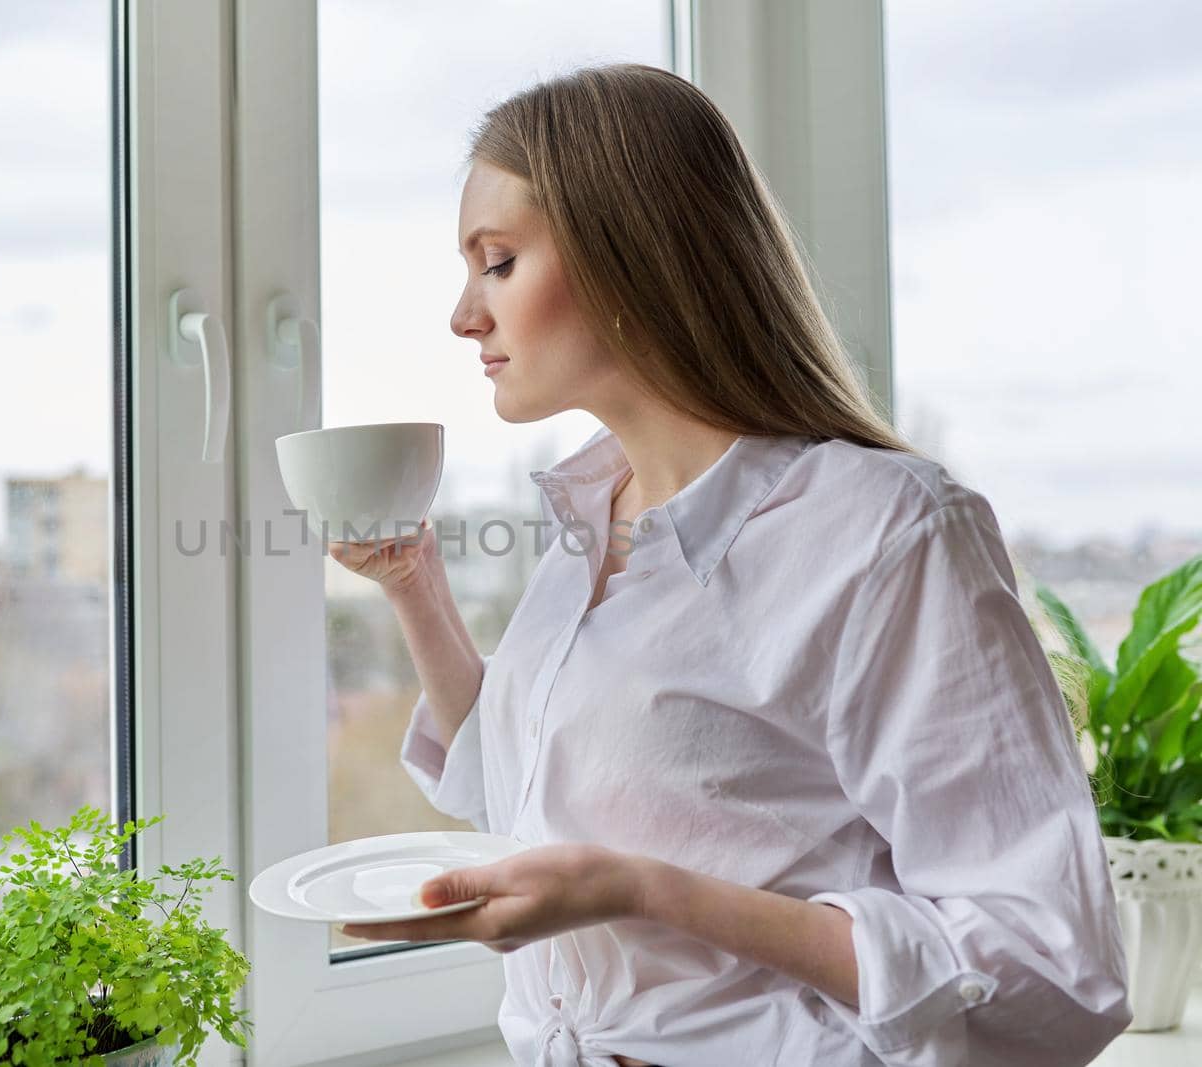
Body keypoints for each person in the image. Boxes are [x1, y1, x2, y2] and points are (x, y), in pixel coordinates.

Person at [328, 63, 1131, 1067]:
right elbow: (527, 793)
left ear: (630, 256)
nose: (462, 314)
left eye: (497, 262)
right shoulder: (595, 518)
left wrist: (647, 890)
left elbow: (1048, 964)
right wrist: (416, 588)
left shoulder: (883, 530)